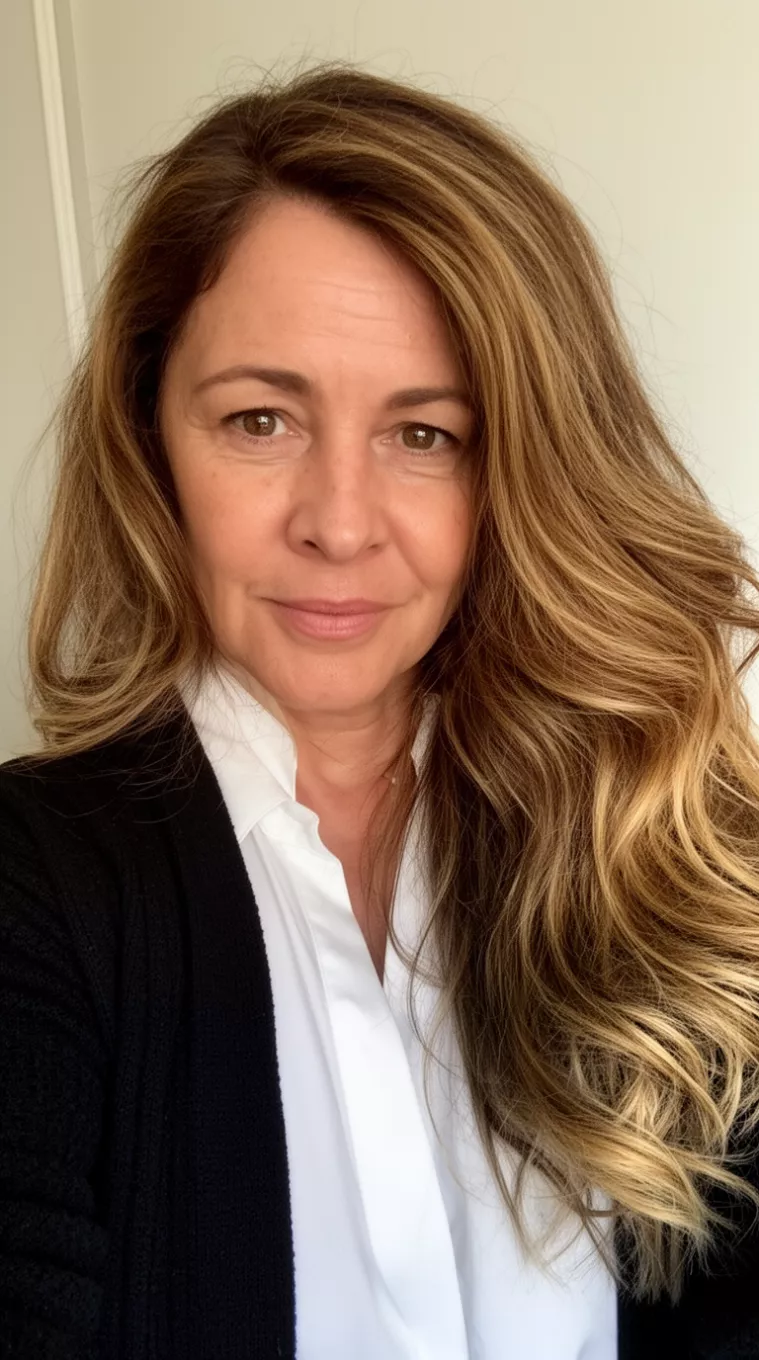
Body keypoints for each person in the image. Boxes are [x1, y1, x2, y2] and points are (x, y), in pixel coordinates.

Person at [2, 60, 759, 1360]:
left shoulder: (658, 842)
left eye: (426, 437)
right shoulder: (29, 888)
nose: (338, 524)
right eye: (259, 420)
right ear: (148, 439)